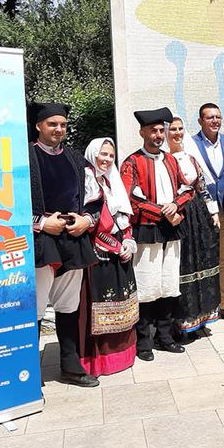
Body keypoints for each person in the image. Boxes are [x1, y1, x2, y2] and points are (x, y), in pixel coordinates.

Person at [28, 102, 98, 387]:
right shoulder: (25, 158)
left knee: (69, 305)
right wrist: (42, 224)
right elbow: (7, 202)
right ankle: (28, 374)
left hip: (73, 239)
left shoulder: (74, 157)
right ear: (39, 126)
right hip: (41, 240)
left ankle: (70, 365)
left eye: (63, 125)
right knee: (34, 307)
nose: (59, 129)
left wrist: (86, 220)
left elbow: (94, 198)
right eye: (52, 124)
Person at [120, 107, 192, 361]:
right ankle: (143, 342)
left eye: (162, 130)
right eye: (154, 131)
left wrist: (177, 206)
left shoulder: (171, 159)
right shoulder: (131, 162)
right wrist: (163, 212)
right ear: (142, 132)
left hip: (172, 229)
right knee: (147, 285)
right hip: (147, 230)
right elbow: (130, 198)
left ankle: (165, 336)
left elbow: (187, 187)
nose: (159, 135)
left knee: (169, 284)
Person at [79, 138, 137, 376]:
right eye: (102, 154)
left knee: (124, 306)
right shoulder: (87, 181)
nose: (106, 159)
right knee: (99, 311)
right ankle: (99, 362)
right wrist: (115, 245)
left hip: (119, 253)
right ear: (92, 154)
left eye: (111, 155)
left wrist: (128, 240)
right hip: (98, 255)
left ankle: (122, 357)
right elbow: (95, 222)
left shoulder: (111, 182)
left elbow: (123, 216)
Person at [185, 104, 224, 323]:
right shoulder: (190, 144)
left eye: (218, 117)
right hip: (201, 211)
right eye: (210, 117)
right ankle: (204, 307)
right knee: (201, 258)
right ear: (200, 121)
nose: (215, 121)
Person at [167, 117, 221, 337]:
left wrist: (214, 211)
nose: (177, 133)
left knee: (202, 266)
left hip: (199, 215)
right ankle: (181, 323)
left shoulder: (190, 158)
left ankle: (200, 319)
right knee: (182, 268)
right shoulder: (163, 159)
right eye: (173, 129)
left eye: (180, 129)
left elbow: (202, 186)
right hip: (179, 216)